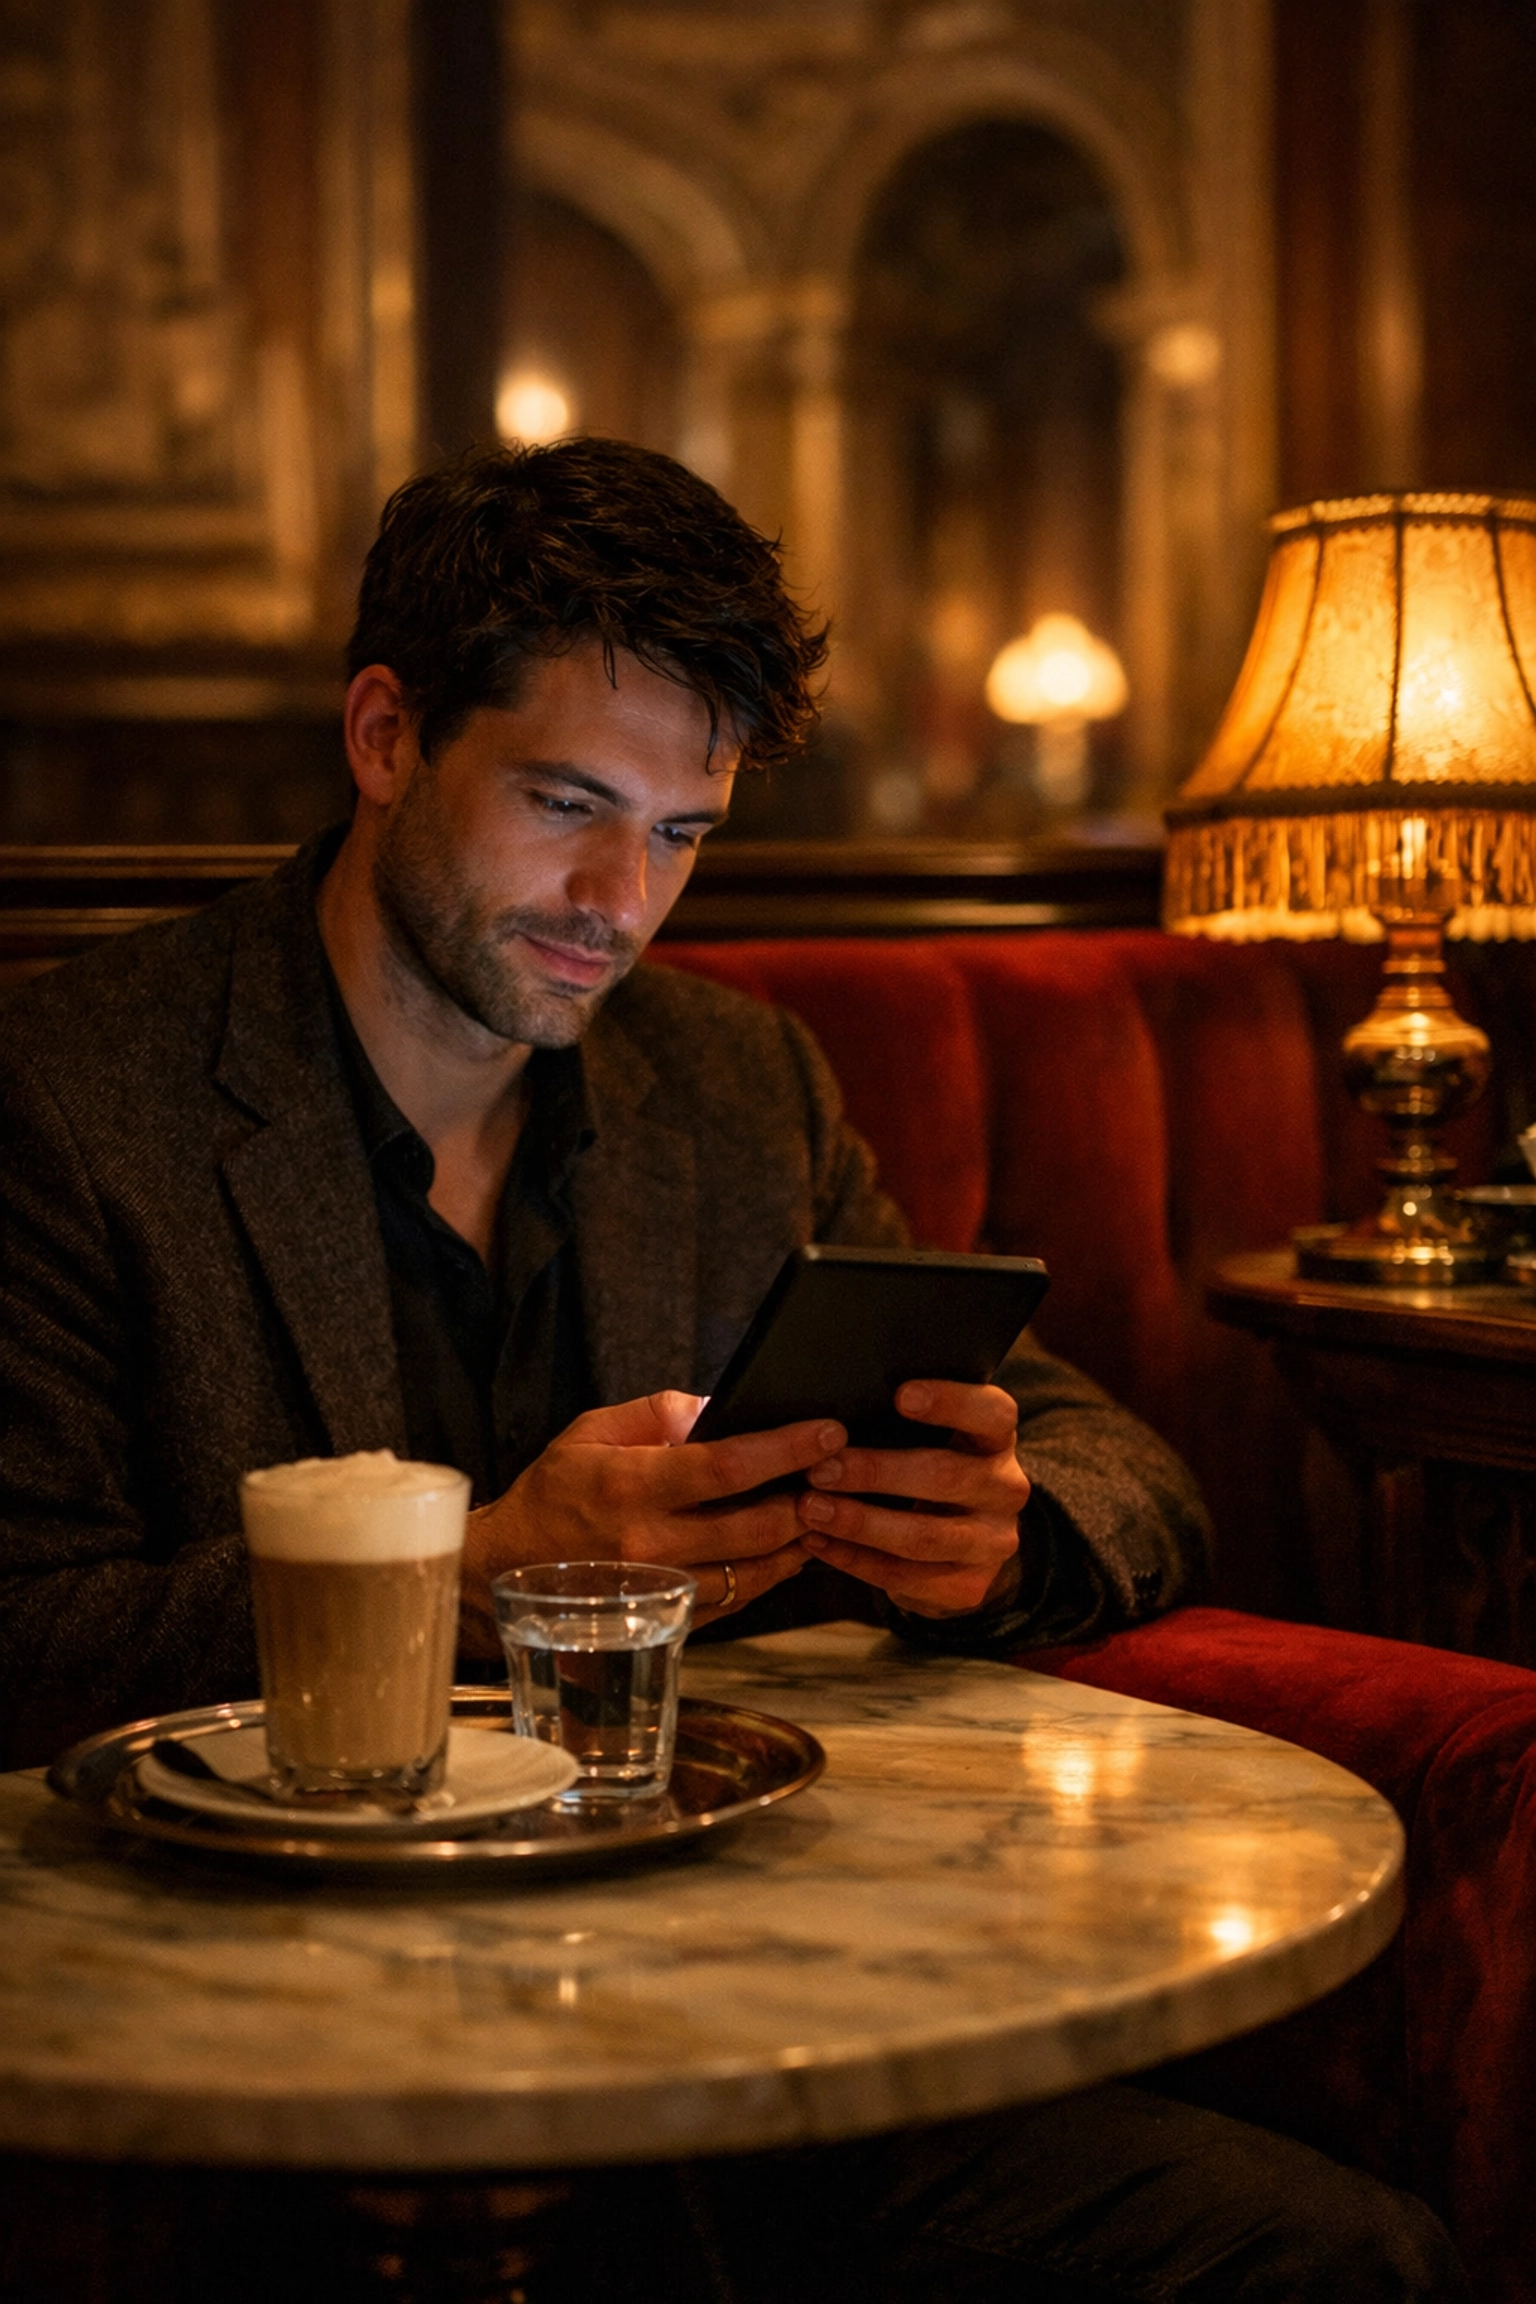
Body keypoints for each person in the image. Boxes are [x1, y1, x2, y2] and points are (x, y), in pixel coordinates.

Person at [0, 440, 1465, 2300]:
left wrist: (996, 1536)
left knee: (1346, 2259)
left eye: (682, 834)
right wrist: (467, 1583)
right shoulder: (74, 1098)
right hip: (264, 2078)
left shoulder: (734, 1083)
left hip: (742, 2039)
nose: (622, 898)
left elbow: (1113, 1453)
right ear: (383, 736)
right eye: (564, 803)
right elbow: (20, 1636)